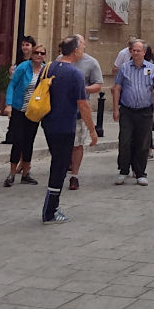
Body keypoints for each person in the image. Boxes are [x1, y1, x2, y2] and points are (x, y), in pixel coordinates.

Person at [41, 35, 97, 223]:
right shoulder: (75, 74)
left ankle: (51, 207)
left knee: (57, 163)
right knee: (60, 166)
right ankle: (51, 210)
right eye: (80, 47)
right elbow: (83, 105)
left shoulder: (49, 67)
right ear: (75, 51)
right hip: (65, 125)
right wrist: (92, 130)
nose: (82, 49)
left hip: (48, 123)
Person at [112, 39, 154, 185]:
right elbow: (117, 88)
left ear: (144, 52)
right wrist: (116, 109)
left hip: (145, 111)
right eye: (133, 50)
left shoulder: (152, 68)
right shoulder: (124, 68)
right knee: (125, 141)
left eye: (138, 50)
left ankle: (140, 172)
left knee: (143, 142)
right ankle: (123, 170)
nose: (135, 53)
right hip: (127, 111)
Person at [2, 41, 48, 187]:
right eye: (36, 53)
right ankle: (12, 173)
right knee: (18, 140)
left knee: (29, 141)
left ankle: (26, 173)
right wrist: (8, 104)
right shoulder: (23, 67)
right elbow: (12, 85)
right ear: (32, 54)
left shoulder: (45, 70)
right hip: (19, 109)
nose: (39, 55)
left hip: (34, 112)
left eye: (42, 53)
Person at [66, 33, 103, 191]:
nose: (77, 47)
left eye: (79, 44)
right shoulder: (62, 60)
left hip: (80, 110)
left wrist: (82, 89)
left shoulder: (91, 62)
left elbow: (98, 85)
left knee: (78, 144)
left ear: (83, 45)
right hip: (63, 110)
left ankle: (74, 176)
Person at [2, 36, 36, 145]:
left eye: (27, 45)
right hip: (18, 96)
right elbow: (13, 81)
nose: (24, 47)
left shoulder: (35, 63)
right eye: (23, 45)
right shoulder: (19, 62)